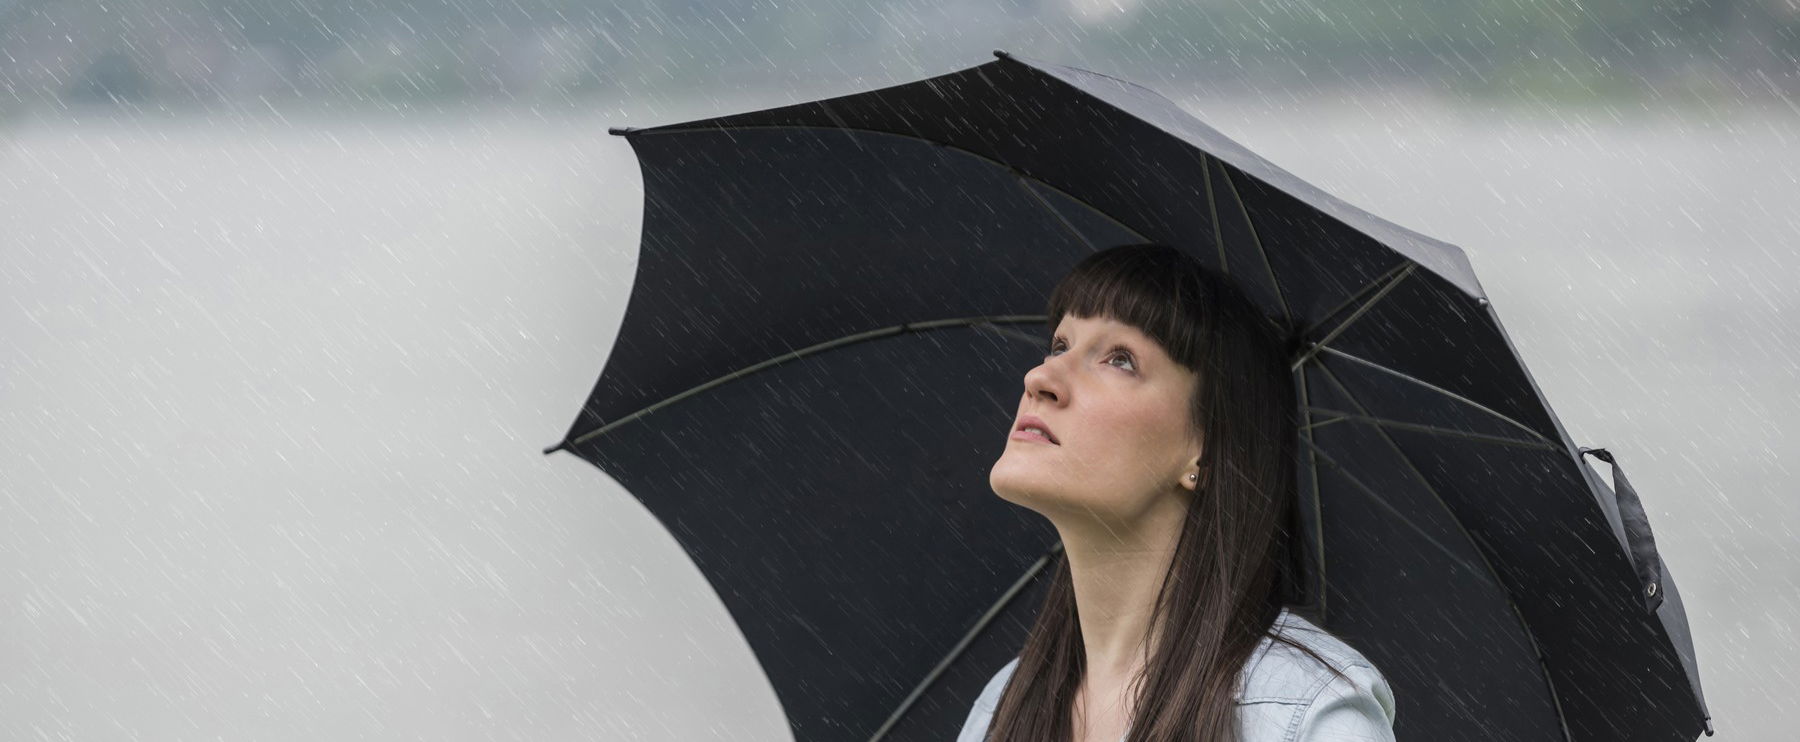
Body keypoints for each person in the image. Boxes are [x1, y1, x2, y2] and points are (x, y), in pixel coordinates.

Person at [964, 243, 1397, 742]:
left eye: (1120, 359)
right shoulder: (999, 710)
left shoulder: (1305, 715)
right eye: (1059, 345)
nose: (1041, 378)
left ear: (1205, 452)